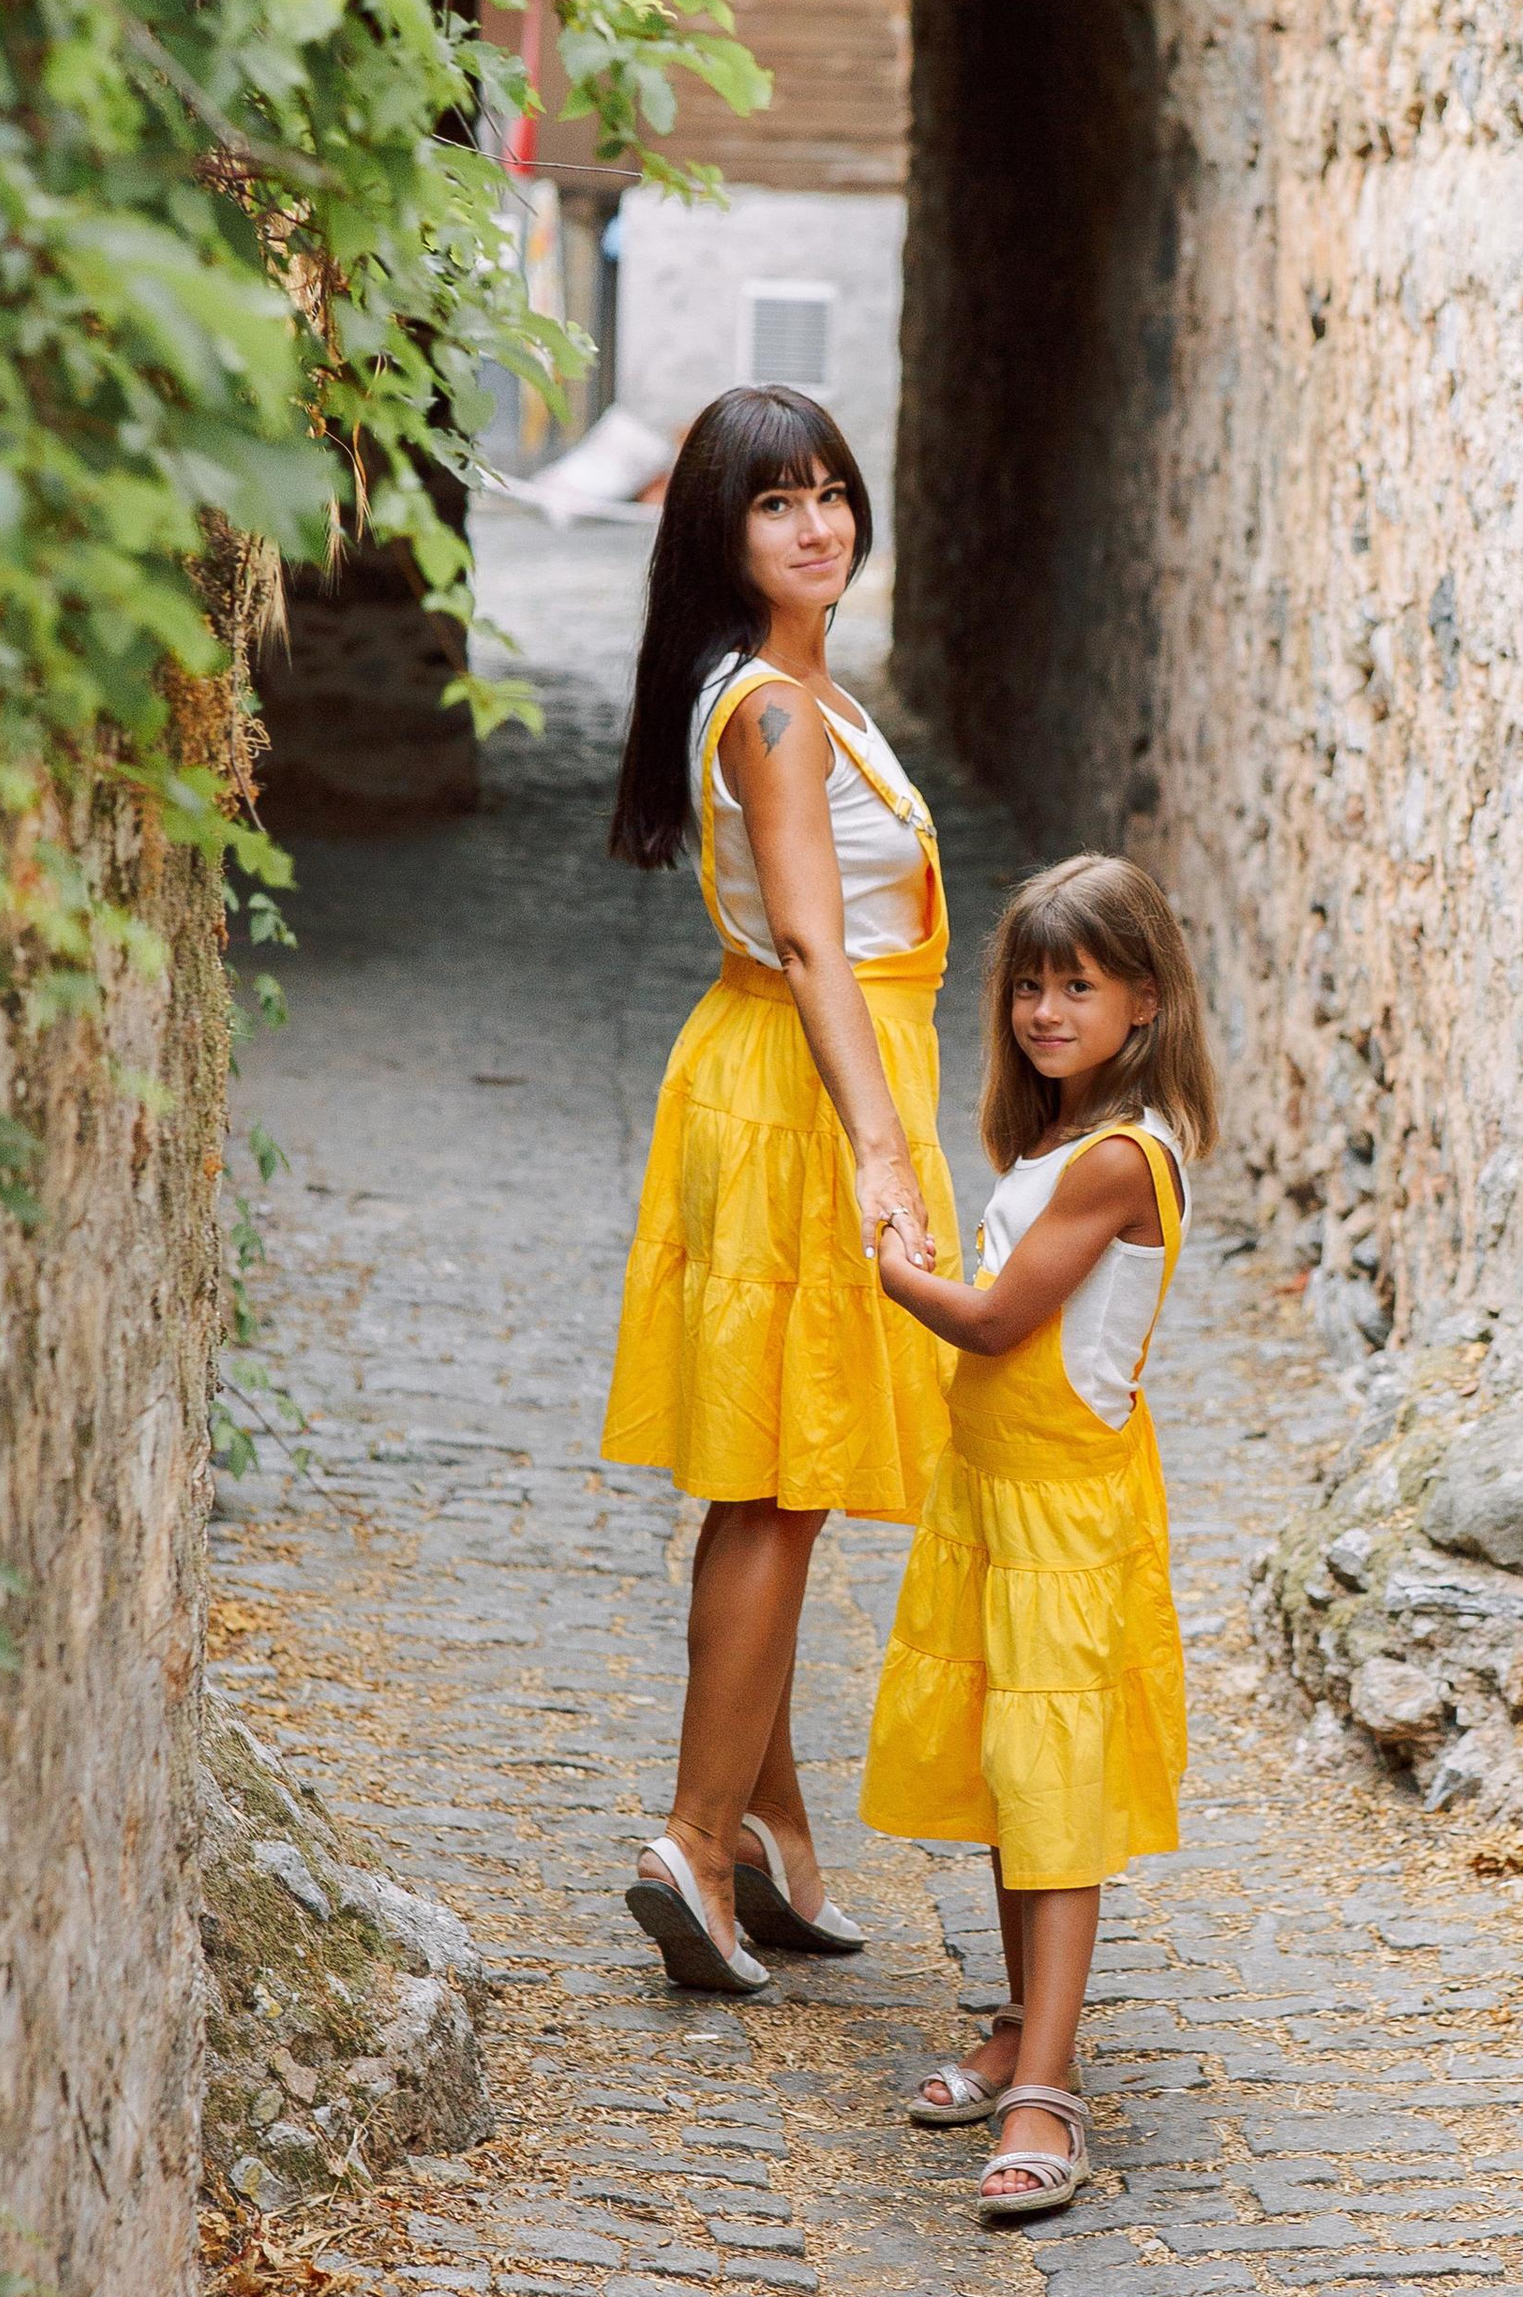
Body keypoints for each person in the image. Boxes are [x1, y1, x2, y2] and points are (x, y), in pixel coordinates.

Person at [601, 386, 958, 1992]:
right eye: (776, 505)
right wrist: (880, 1146)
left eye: (833, 494)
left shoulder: (790, 692)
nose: (820, 526)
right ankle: (694, 1828)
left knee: (773, 1470)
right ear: (720, 536)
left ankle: (759, 1832)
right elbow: (815, 939)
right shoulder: (776, 713)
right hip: (812, 1092)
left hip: (788, 1076)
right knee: (778, 1478)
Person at [858, 854, 1218, 2220]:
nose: (1044, 1008)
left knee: (1055, 1800)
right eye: (1028, 982)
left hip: (1064, 1512)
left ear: (1144, 1000)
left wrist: (896, 1270)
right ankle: (1019, 2021)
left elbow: (1002, 1323)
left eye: (1079, 984)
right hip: (997, 1497)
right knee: (1015, 1779)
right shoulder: (1063, 1141)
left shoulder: (1119, 1158)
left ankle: (1047, 2089)